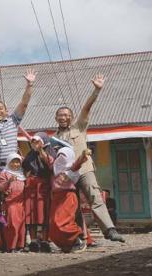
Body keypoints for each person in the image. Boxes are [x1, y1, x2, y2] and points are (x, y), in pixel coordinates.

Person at [53, 74, 124, 242]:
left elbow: (86, 108)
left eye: (66, 114)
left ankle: (110, 230)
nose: (63, 117)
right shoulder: (54, 137)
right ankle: (79, 236)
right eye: (60, 115)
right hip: (67, 175)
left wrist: (96, 90)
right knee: (72, 205)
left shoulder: (79, 127)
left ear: (71, 117)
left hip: (84, 169)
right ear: (56, 118)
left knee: (95, 197)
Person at [49, 146, 91, 253]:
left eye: (64, 157)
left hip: (68, 197)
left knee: (63, 222)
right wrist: (39, 149)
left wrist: (83, 155)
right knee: (54, 223)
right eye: (59, 156)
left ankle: (78, 240)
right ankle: (66, 245)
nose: (60, 159)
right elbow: (46, 158)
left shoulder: (71, 169)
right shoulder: (55, 169)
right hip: (57, 198)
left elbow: (77, 163)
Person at [22, 132, 54, 252]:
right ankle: (34, 241)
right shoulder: (30, 154)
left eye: (38, 141)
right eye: (33, 142)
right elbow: (25, 167)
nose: (35, 144)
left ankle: (45, 240)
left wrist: (42, 152)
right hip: (31, 186)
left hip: (43, 187)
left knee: (44, 212)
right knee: (32, 213)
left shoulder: (49, 152)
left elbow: (50, 165)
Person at [0, 154, 26, 253]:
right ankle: (11, 246)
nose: (15, 164)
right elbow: (1, 188)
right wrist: (9, 182)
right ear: (8, 162)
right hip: (11, 202)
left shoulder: (22, 174)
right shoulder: (4, 173)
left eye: (17, 162)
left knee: (21, 226)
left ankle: (20, 245)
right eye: (13, 162)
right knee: (12, 224)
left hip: (21, 202)